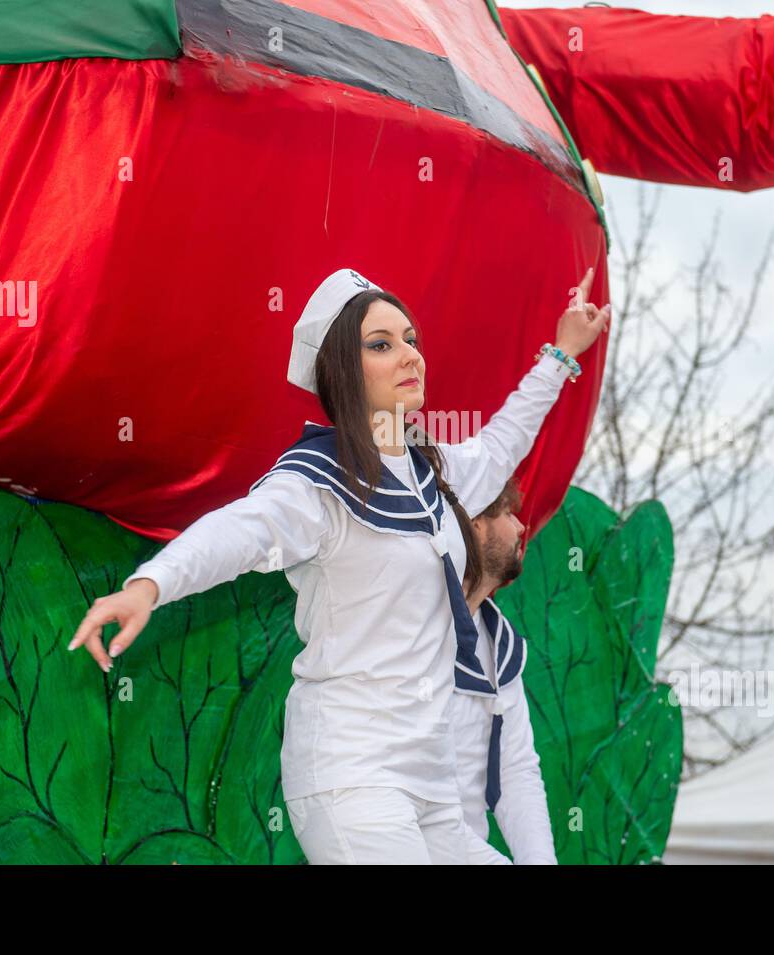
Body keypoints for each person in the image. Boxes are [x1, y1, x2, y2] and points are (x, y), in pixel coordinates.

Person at [68, 266, 608, 863]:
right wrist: (151, 584)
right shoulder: (317, 485)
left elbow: (506, 439)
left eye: (410, 340)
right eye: (381, 344)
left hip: (432, 788)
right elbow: (240, 531)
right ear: (345, 373)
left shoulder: (438, 475)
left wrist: (562, 353)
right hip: (352, 777)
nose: (409, 355)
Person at [448, 478, 558, 865]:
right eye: (508, 513)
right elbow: (403, 791)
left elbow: (516, 772)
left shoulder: (499, 647)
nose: (521, 527)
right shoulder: (408, 632)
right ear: (476, 523)